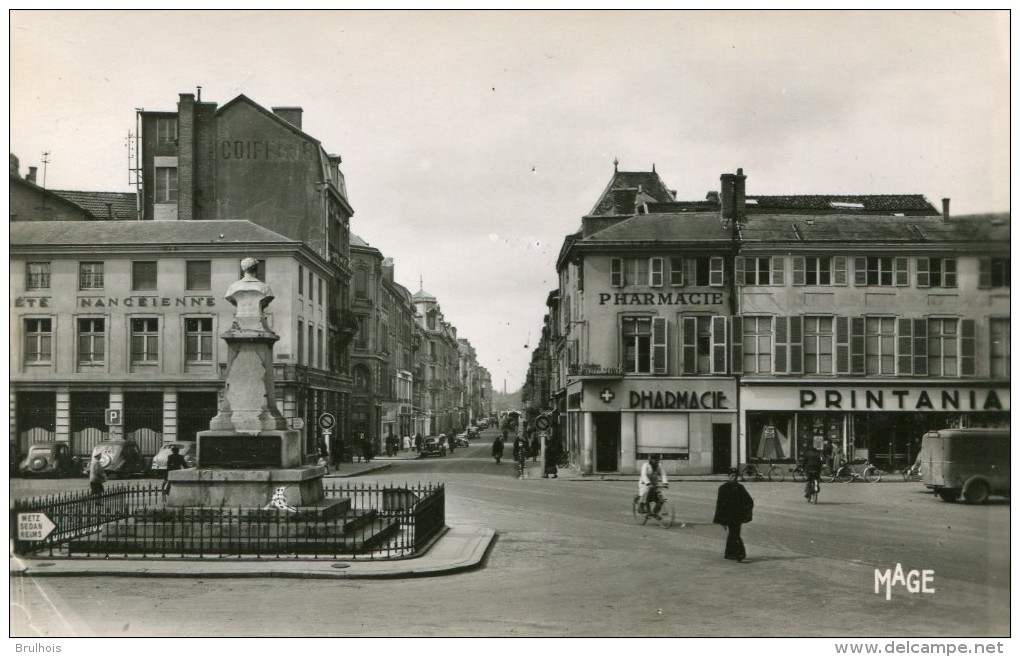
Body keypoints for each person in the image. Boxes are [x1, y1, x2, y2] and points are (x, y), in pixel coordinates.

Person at [713, 468, 755, 562]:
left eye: (735, 476)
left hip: (737, 516)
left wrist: (746, 512)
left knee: (734, 534)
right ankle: (739, 554)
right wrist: (720, 518)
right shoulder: (723, 488)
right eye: (732, 476)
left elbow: (749, 501)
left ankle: (731, 554)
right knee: (734, 534)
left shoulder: (740, 487)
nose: (734, 478)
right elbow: (720, 504)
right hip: (728, 516)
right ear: (728, 477)